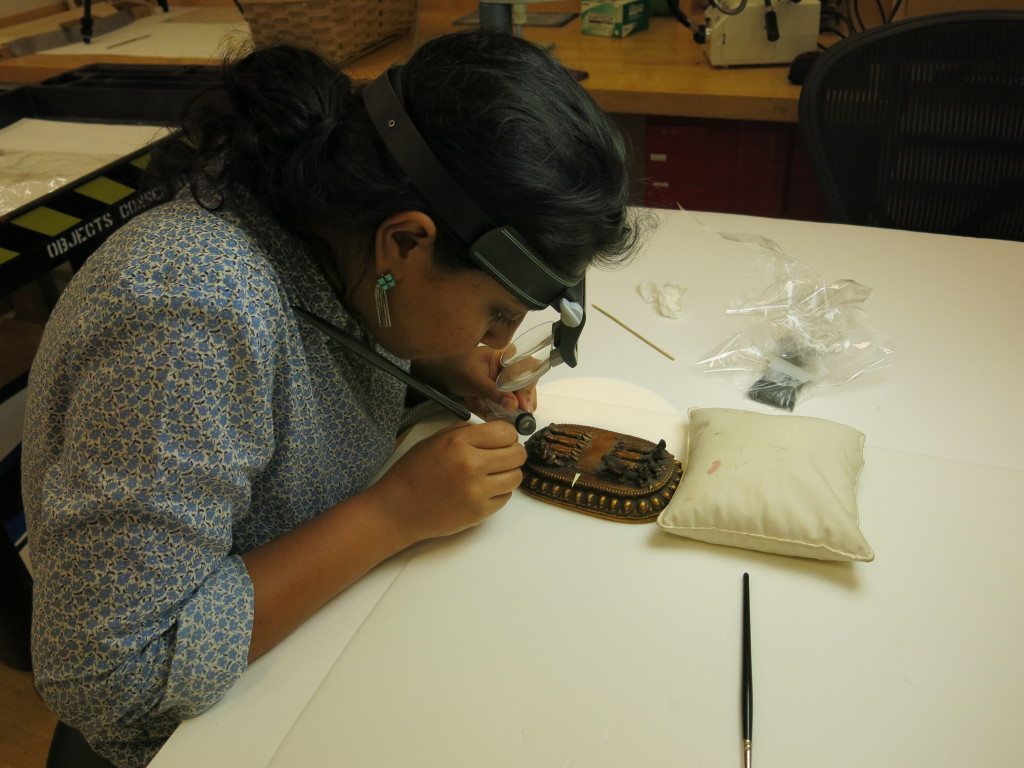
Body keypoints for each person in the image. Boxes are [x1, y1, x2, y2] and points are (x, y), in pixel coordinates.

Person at [22, 29, 644, 768]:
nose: (502, 340)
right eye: (497, 314)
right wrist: (393, 513)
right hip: (208, 734)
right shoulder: (191, 316)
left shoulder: (342, 227)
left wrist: (443, 364)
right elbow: (106, 675)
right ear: (407, 244)